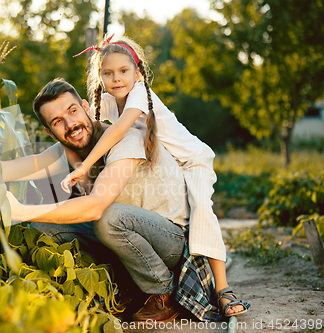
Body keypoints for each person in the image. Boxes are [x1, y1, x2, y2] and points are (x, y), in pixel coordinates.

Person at [0, 78, 229, 322]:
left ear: (85, 107)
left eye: (72, 111)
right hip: (128, 240)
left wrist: (19, 210)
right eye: (58, 121)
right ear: (49, 131)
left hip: (171, 241)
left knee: (107, 218)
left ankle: (162, 293)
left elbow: (97, 206)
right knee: (43, 228)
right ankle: (122, 288)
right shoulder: (65, 151)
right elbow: (5, 169)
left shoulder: (126, 138)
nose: (71, 124)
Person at [56, 35, 249, 317]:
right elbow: (85, 125)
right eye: (108, 73)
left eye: (123, 71)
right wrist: (71, 149)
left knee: (202, 213)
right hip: (172, 165)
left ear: (138, 72)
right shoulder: (110, 100)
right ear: (100, 76)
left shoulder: (138, 93)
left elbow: (119, 129)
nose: (116, 78)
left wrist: (85, 168)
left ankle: (223, 289)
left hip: (193, 159)